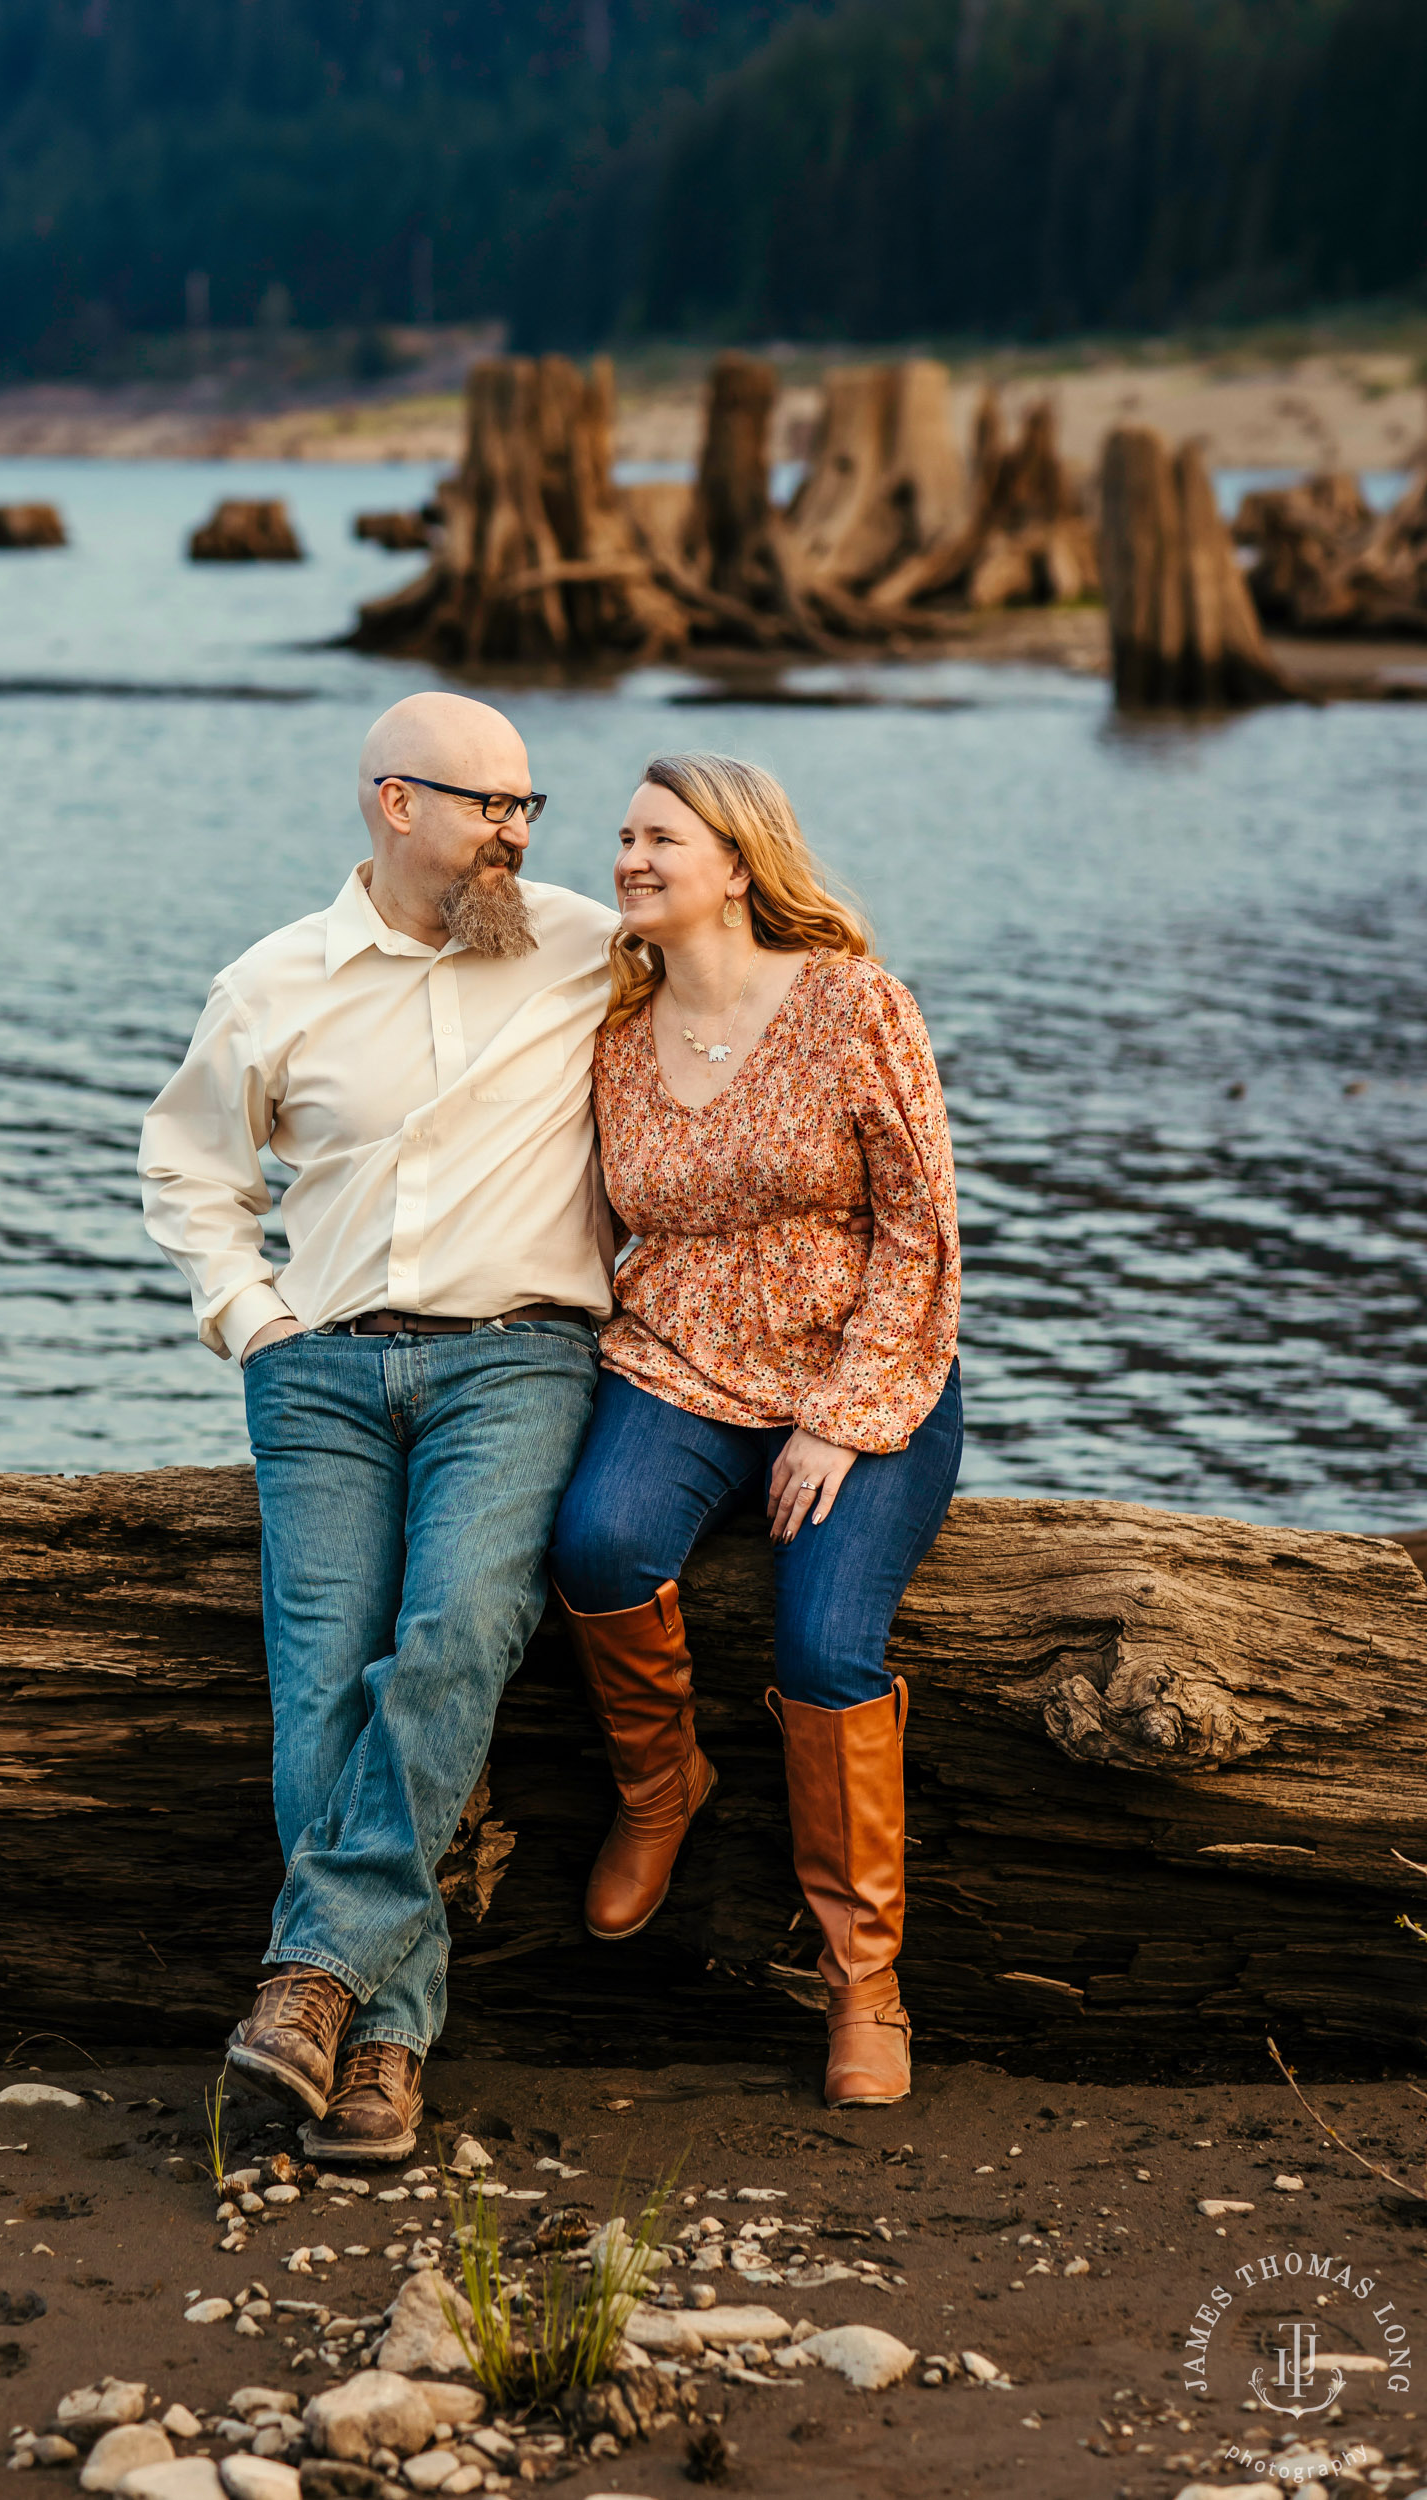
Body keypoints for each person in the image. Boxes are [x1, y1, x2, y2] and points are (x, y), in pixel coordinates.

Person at [139, 690, 617, 2159]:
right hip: (323, 1372)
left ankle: (312, 1982)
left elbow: (756, 967)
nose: (515, 836)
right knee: (320, 1691)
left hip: (520, 1362)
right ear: (392, 804)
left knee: (461, 1632)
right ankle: (383, 2055)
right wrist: (253, 1319)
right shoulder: (272, 983)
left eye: (529, 806)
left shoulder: (593, 950)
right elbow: (187, 1169)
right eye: (487, 805)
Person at [548, 751, 961, 2110]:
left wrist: (841, 1421)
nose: (628, 859)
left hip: (864, 1369)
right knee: (600, 1542)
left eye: (660, 837)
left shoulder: (854, 1007)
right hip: (674, 1365)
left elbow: (920, 1232)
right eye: (620, 838)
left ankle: (865, 1988)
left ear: (739, 861)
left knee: (825, 1645)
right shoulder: (613, 1029)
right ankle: (664, 1789)